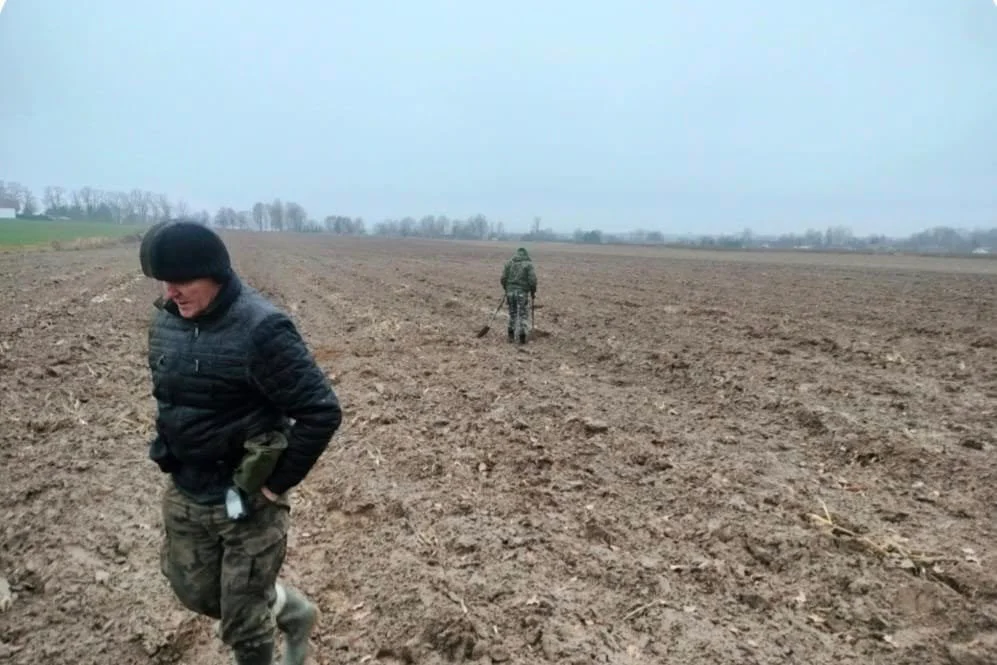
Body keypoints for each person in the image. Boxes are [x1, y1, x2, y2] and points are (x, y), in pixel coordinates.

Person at [139, 219, 342, 665]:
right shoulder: (166, 321)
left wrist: (272, 487)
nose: (171, 292)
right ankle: (294, 612)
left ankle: (268, 628)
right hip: (186, 487)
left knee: (244, 625)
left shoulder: (261, 330)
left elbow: (321, 411)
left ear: (214, 273)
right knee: (195, 593)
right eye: (164, 282)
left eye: (181, 281)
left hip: (246, 498)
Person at [500, 247, 538, 344]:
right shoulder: (528, 264)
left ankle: (511, 335)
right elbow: (533, 280)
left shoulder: (509, 263)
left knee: (512, 313)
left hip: (510, 292)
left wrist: (506, 288)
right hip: (522, 293)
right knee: (522, 314)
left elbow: (503, 278)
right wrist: (533, 291)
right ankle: (522, 337)